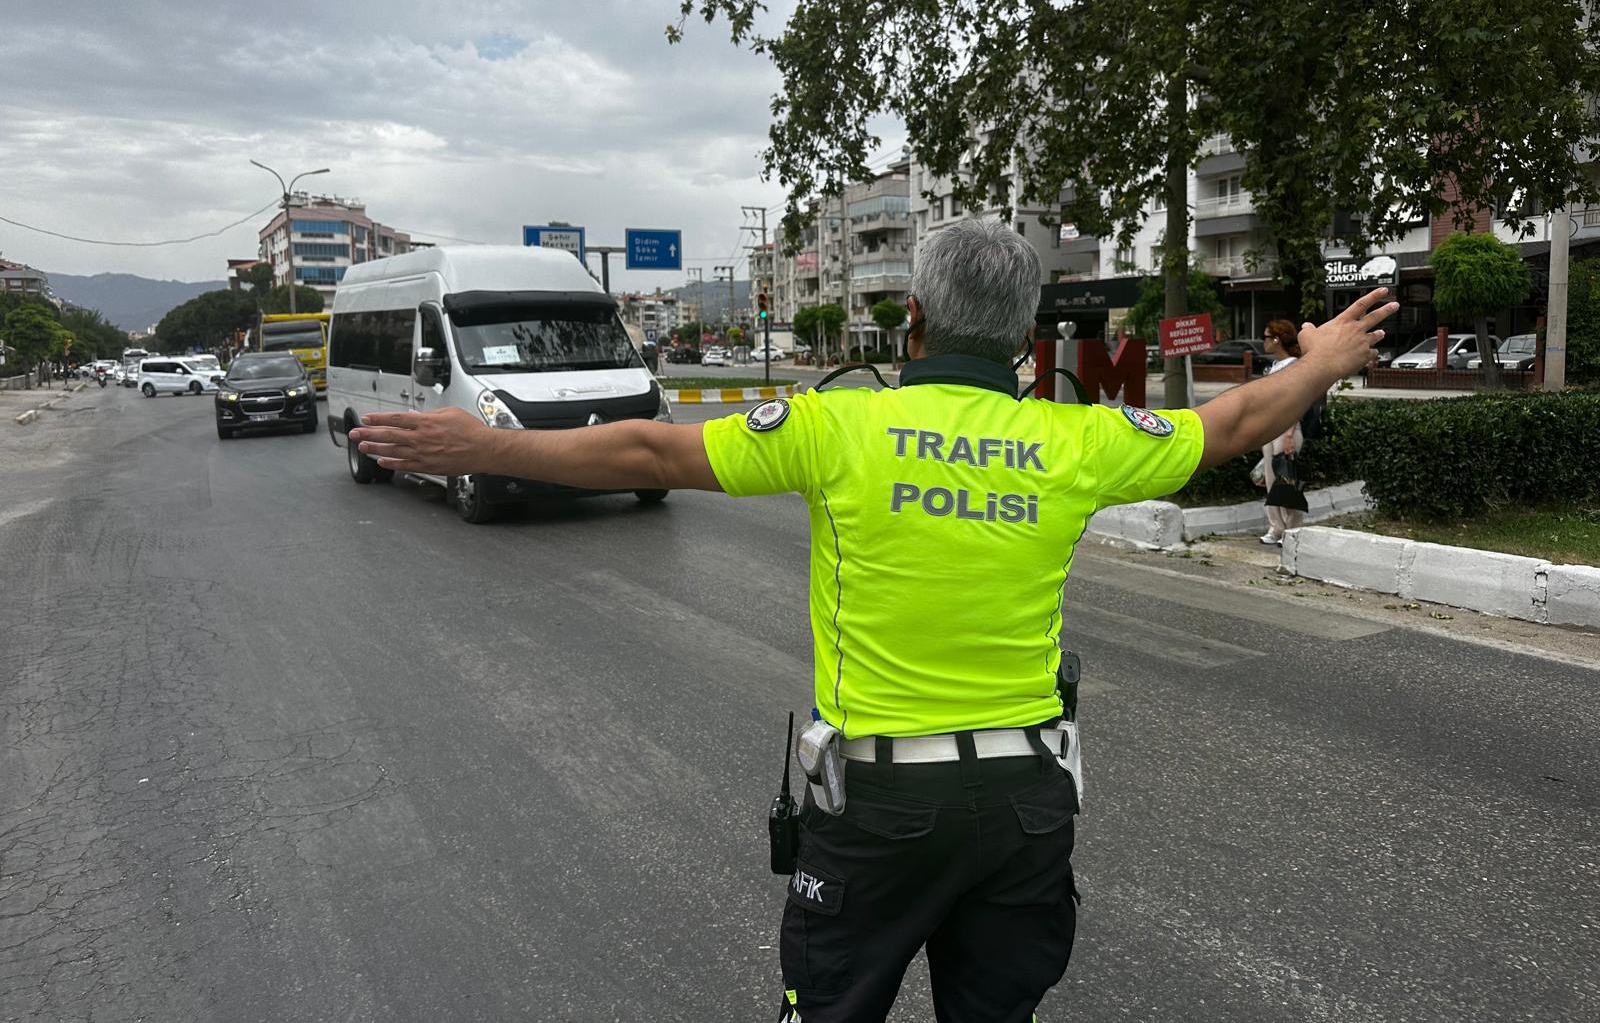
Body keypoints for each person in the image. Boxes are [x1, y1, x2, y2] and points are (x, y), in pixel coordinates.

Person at [350, 221, 1395, 1022]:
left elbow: (650, 453)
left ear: (915, 325)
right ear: (1026, 338)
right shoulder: (1077, 442)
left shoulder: (836, 424)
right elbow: (1235, 421)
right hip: (1025, 803)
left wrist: (486, 446)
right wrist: (1324, 357)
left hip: (882, 805)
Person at [1259, 318, 1307, 544]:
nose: (1264, 342)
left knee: (1286, 478)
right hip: (1270, 427)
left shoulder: (1295, 365)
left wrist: (1289, 434)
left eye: (1266, 337)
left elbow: (1297, 401)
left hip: (1287, 428)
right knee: (1271, 479)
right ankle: (1276, 527)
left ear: (1277, 339)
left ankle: (1292, 528)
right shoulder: (1275, 366)